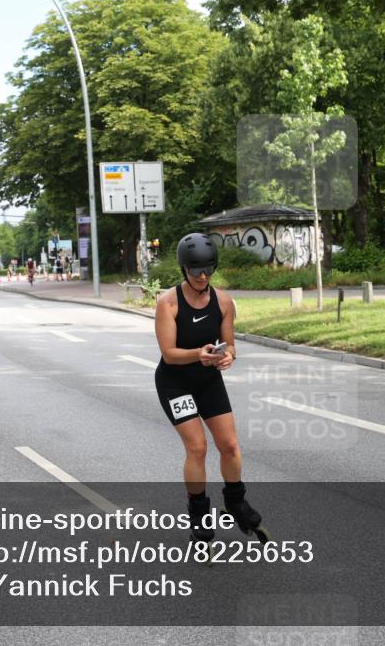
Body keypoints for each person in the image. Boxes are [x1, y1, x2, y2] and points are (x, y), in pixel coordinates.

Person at [154, 233, 269, 544]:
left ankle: (236, 501)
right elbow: (169, 353)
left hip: (207, 379)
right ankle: (199, 513)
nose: (203, 277)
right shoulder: (168, 303)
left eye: (208, 270)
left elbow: (230, 343)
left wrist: (228, 355)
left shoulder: (224, 301)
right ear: (184, 270)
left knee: (230, 445)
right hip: (175, 382)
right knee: (197, 448)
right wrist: (198, 355)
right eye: (196, 272)